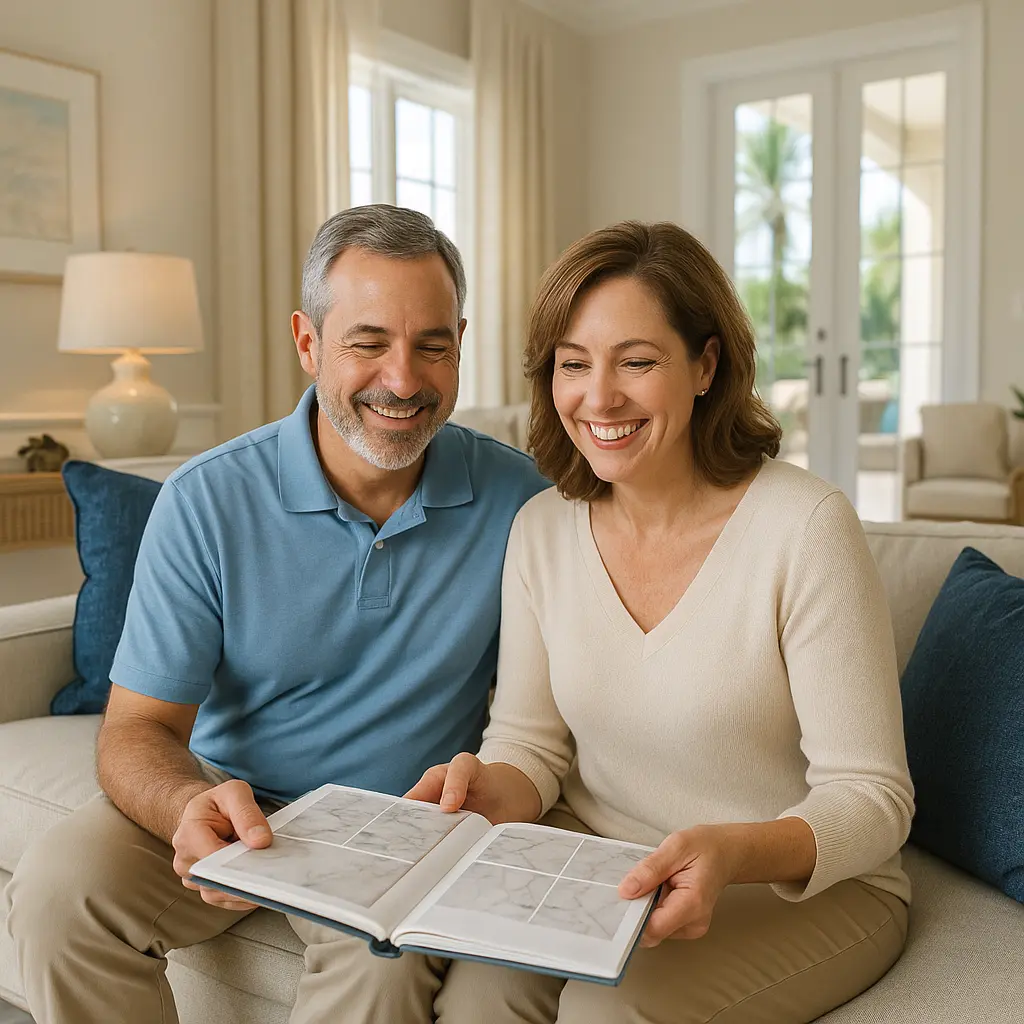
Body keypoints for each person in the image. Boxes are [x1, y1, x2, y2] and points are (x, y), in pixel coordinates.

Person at [5, 205, 552, 1024]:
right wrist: (183, 807)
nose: (403, 380)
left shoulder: (524, 503)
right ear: (308, 342)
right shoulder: (208, 500)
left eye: (432, 344)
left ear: (461, 342)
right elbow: (135, 729)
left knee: (383, 969)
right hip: (232, 796)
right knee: (58, 891)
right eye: (367, 342)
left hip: (398, 826)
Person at [406, 220, 915, 1023]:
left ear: (706, 365)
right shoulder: (543, 527)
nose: (599, 397)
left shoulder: (805, 525)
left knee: (610, 1012)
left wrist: (730, 851)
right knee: (477, 997)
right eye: (574, 364)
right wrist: (482, 794)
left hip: (799, 885)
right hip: (607, 864)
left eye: (637, 362)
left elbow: (873, 798)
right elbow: (530, 744)